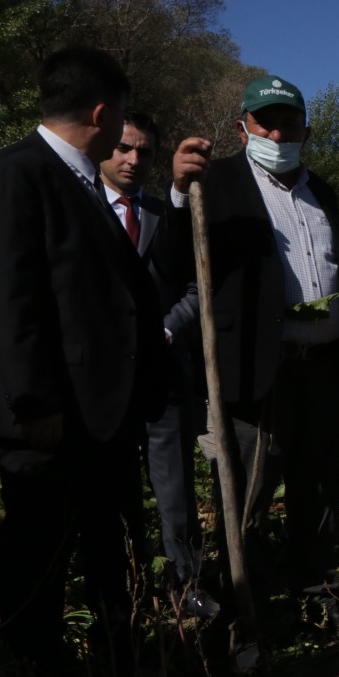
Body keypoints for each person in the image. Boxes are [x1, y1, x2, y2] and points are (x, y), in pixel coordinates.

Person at [0, 47, 166, 677]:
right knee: (38, 558)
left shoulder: (81, 180)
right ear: (100, 112)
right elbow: (7, 299)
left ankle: (118, 668)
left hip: (103, 417)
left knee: (109, 548)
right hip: (50, 420)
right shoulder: (16, 174)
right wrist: (32, 404)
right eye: (119, 120)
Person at [169, 75, 339, 650]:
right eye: (266, 121)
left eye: (289, 122)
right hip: (257, 369)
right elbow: (175, 262)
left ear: (305, 129)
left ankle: (317, 595)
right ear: (244, 127)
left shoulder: (322, 192)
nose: (278, 132)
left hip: (325, 366)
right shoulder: (218, 184)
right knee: (248, 494)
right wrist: (180, 193)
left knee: (320, 488)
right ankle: (245, 610)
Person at [100, 109, 209, 617]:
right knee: (114, 498)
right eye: (124, 147)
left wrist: (167, 328)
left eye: (144, 151)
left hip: (166, 376)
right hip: (103, 384)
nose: (132, 159)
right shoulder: (78, 209)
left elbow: (196, 287)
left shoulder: (169, 215)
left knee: (176, 491)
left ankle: (189, 588)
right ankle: (127, 595)